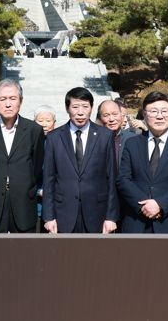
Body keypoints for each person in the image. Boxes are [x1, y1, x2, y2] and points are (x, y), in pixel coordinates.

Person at [42, 87, 119, 234]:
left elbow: (111, 178)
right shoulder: (54, 137)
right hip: (63, 212)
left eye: (85, 106)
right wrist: (49, 217)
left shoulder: (105, 136)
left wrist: (111, 217)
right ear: (67, 108)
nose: (80, 112)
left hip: (97, 212)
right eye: (75, 107)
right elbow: (48, 179)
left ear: (91, 108)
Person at [117, 92, 168, 234]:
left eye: (164, 111)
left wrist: (160, 204)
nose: (160, 116)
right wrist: (144, 206)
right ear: (144, 115)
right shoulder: (132, 143)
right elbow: (123, 179)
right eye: (153, 111)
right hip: (136, 220)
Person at [0, 79, 45, 233]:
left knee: (24, 247)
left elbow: (36, 165)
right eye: (3, 99)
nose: (8, 104)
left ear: (20, 101)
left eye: (13, 98)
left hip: (23, 201)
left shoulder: (34, 130)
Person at [96, 99, 136, 170]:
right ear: (100, 118)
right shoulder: (93, 140)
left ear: (121, 116)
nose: (111, 119)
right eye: (106, 115)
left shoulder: (133, 140)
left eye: (115, 114)